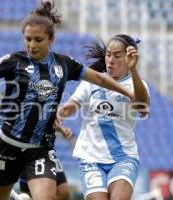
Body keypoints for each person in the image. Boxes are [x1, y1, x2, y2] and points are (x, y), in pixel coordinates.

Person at [0, 0, 134, 199]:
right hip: (8, 145)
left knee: (55, 195)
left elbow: (99, 78)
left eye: (38, 40)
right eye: (28, 39)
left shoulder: (64, 64)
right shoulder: (14, 61)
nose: (31, 45)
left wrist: (130, 94)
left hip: (40, 150)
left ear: (51, 39)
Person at [57, 34, 150, 200]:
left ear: (129, 59)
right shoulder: (93, 81)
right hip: (91, 157)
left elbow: (142, 106)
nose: (110, 60)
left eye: (117, 56)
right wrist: (57, 116)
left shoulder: (137, 84)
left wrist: (134, 70)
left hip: (123, 157)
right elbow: (71, 106)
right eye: (108, 54)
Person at [17, 123, 73, 200]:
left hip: (48, 151)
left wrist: (61, 129)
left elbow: (49, 118)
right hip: (32, 150)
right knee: (34, 194)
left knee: (63, 193)